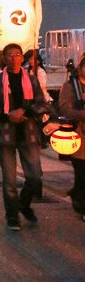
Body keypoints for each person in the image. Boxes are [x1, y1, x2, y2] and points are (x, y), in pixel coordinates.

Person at [0, 43, 48, 230]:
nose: (14, 58)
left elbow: (41, 103)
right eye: (9, 55)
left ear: (22, 57)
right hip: (5, 135)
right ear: (4, 58)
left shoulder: (32, 80)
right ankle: (12, 216)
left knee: (35, 176)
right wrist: (9, 115)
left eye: (17, 55)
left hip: (28, 133)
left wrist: (24, 113)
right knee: (9, 180)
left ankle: (24, 204)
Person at [58, 52, 85, 221]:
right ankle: (81, 205)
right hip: (78, 137)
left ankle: (76, 193)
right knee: (82, 173)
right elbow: (65, 110)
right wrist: (82, 113)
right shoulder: (70, 86)